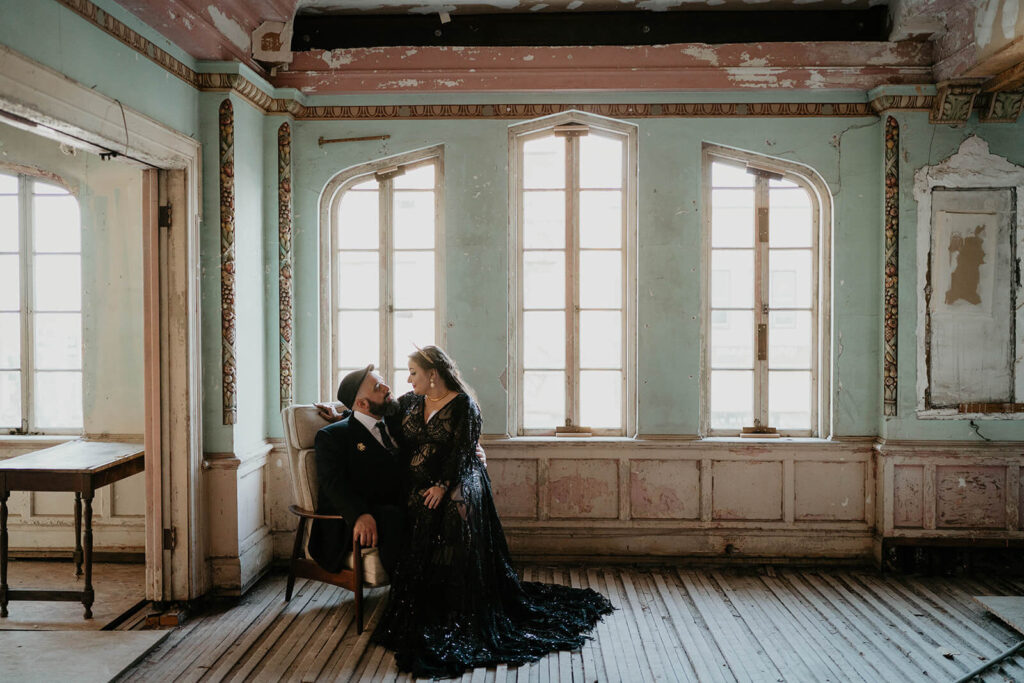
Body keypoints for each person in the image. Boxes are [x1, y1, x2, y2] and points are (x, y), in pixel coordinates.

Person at [371, 345, 613, 678]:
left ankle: (460, 598)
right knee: (420, 509)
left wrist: (443, 484)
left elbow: (460, 453)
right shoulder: (411, 402)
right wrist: (337, 413)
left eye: (413, 372)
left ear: (432, 374)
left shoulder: (464, 407)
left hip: (455, 476)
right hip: (415, 484)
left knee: (454, 505)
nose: (408, 379)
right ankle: (432, 594)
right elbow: (382, 416)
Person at [308, 365, 406, 575]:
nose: (387, 387)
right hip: (351, 520)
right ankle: (403, 598)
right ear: (361, 403)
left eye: (382, 381)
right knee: (393, 517)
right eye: (378, 387)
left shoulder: (395, 422)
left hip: (397, 504)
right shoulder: (332, 437)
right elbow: (332, 484)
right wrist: (360, 514)